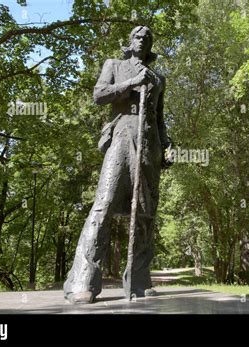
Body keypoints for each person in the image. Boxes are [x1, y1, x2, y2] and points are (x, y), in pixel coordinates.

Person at [64, 26, 170, 304]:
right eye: (137, 35)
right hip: (122, 134)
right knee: (104, 203)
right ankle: (82, 282)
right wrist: (131, 83)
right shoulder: (115, 65)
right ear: (129, 42)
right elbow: (99, 95)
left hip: (150, 143)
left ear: (150, 46)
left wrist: (167, 145)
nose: (142, 39)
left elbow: (160, 118)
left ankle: (138, 280)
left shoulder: (159, 78)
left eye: (147, 37)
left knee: (146, 212)